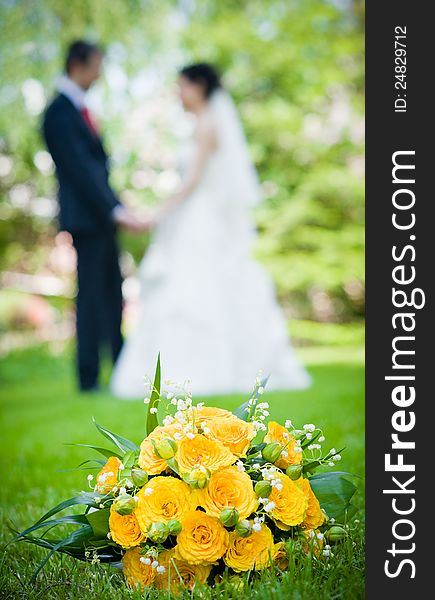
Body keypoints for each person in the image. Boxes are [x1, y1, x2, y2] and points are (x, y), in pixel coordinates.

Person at [111, 63, 311, 397]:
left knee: (198, 289)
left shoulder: (207, 126)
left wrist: (156, 214)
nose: (178, 94)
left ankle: (201, 371)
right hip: (192, 218)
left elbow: (191, 182)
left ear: (199, 86)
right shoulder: (201, 125)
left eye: (181, 86)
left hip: (200, 221)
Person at [43, 40, 148, 392]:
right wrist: (115, 209)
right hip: (87, 221)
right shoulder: (59, 113)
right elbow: (82, 172)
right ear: (78, 65)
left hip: (100, 219)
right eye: (96, 66)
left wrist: (117, 205)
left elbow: (96, 173)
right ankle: (88, 378)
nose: (100, 73)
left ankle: (120, 370)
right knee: (91, 297)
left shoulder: (78, 109)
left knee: (112, 295)